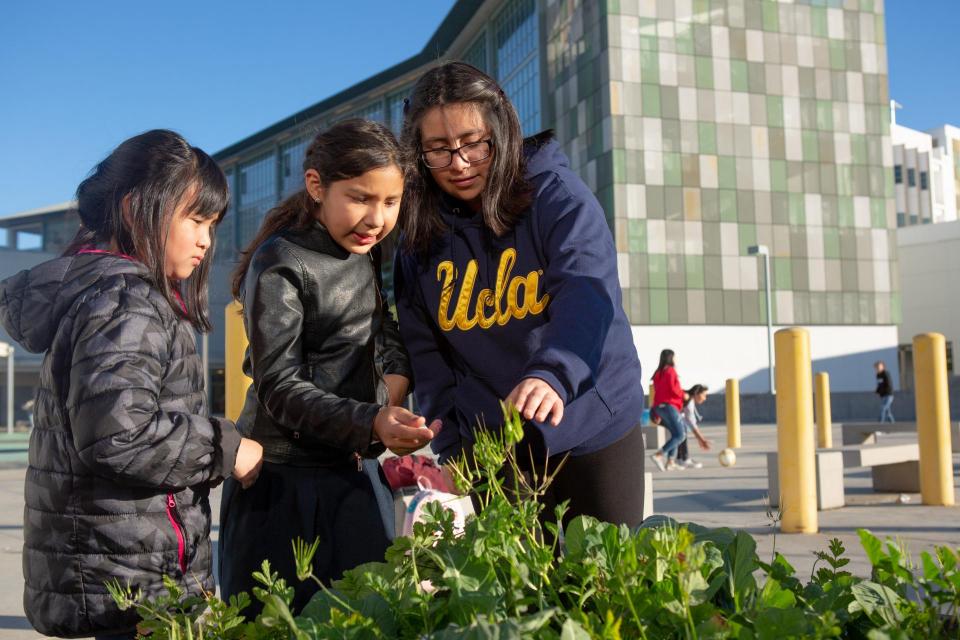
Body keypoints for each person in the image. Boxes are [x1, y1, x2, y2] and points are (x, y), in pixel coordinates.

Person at [0, 130, 263, 639]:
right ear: (134, 207)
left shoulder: (104, 294)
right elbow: (120, 435)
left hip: (112, 566)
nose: (207, 240)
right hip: (127, 581)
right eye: (196, 219)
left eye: (212, 224)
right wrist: (229, 447)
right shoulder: (127, 301)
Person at [393, 62, 646, 528]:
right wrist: (454, 448)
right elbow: (428, 355)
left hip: (593, 425)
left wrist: (554, 373)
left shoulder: (557, 195)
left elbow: (586, 292)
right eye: (438, 149)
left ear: (502, 130)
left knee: (607, 589)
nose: (459, 163)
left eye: (473, 143)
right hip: (494, 449)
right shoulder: (416, 239)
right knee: (519, 597)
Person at [219, 119, 437, 614]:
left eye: (391, 202)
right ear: (317, 186)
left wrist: (393, 393)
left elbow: (382, 331)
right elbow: (279, 386)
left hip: (354, 471)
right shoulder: (280, 261)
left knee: (371, 619)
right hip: (281, 483)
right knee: (276, 624)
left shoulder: (364, 251)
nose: (377, 218)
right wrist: (372, 419)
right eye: (360, 197)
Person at [649, 349, 686, 471]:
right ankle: (659, 455)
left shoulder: (658, 373)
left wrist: (654, 411)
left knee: (675, 434)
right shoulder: (670, 371)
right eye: (675, 357)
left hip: (659, 407)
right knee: (681, 434)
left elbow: (657, 392)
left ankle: (670, 462)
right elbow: (674, 389)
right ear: (671, 358)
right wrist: (683, 394)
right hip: (669, 406)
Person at [676, 384, 712, 469]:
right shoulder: (689, 401)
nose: (705, 398)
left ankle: (680, 458)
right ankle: (684, 459)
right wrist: (702, 440)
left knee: (681, 430)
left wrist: (700, 439)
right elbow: (692, 423)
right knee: (682, 430)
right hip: (664, 414)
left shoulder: (688, 399)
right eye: (704, 395)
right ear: (696, 394)